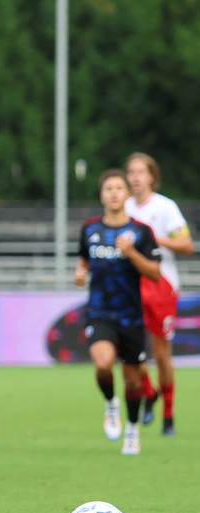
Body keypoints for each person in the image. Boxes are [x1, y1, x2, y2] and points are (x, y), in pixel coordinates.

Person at [75, 169, 160, 455]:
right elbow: (84, 260)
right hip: (100, 312)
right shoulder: (89, 229)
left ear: (127, 194)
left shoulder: (140, 232)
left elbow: (155, 274)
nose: (113, 193)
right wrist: (80, 271)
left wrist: (131, 253)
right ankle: (111, 405)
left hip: (131, 317)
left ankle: (132, 430)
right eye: (108, 188)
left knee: (134, 380)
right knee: (102, 364)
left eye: (119, 188)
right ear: (102, 195)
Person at [123, 153, 193, 436]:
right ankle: (149, 393)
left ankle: (168, 415)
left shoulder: (166, 208)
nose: (136, 177)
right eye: (131, 172)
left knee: (162, 355)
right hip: (129, 286)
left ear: (152, 176)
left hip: (161, 286)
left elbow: (186, 244)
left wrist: (152, 237)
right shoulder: (123, 207)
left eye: (141, 172)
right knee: (128, 350)